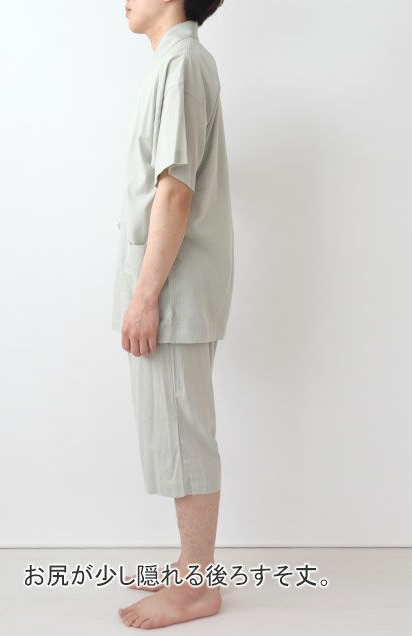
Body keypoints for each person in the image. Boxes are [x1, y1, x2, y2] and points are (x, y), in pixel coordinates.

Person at [111, 0, 234, 628]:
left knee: (185, 434)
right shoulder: (174, 63)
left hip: (172, 289)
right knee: (178, 430)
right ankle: (191, 569)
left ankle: (196, 587)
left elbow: (175, 190)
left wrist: (145, 295)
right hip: (169, 286)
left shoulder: (183, 63)